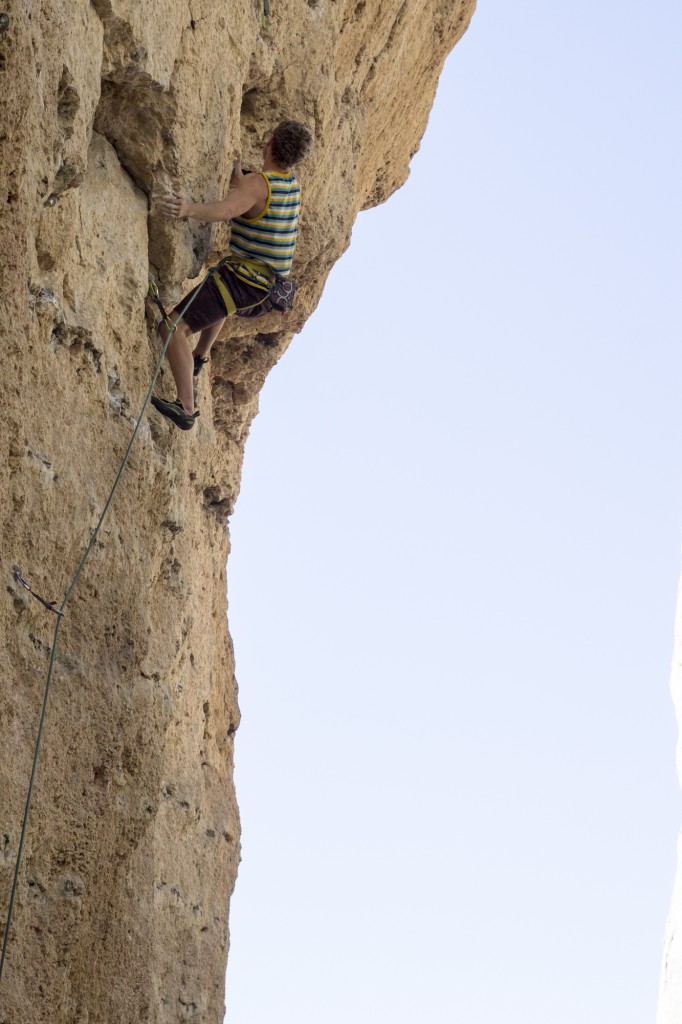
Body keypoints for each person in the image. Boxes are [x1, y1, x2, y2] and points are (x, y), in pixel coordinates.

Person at [152, 119, 313, 430]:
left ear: (268, 143)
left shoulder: (256, 186)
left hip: (244, 281)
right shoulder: (291, 186)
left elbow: (227, 210)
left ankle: (186, 407)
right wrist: (240, 177)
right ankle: (199, 356)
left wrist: (187, 209)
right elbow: (253, 194)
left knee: (172, 328)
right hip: (268, 291)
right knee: (220, 299)